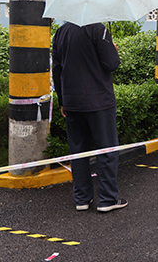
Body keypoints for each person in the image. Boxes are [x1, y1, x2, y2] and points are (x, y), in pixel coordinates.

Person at [52, 22, 127, 213]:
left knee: (78, 152)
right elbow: (111, 63)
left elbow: (57, 69)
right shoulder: (98, 29)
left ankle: (82, 199)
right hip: (99, 101)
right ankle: (108, 198)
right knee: (106, 150)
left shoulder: (61, 32)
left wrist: (63, 101)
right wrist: (114, 50)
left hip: (72, 102)